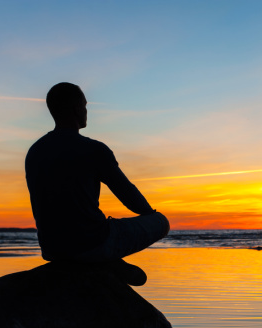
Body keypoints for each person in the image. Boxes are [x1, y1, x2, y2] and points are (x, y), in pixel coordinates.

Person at [25, 82, 169, 285]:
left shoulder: (35, 151)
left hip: (52, 248)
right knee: (162, 222)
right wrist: (150, 214)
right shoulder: (93, 149)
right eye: (84, 105)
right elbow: (128, 195)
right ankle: (106, 258)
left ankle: (108, 261)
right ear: (76, 108)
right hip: (91, 241)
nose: (86, 111)